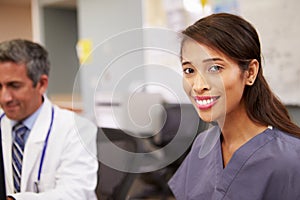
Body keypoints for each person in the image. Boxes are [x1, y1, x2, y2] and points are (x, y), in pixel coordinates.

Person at [168, 13, 300, 200]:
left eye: (215, 68)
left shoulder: (291, 160)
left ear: (250, 73)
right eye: (189, 70)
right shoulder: (202, 146)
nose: (198, 86)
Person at [0, 39, 98, 200]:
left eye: (14, 86)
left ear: (41, 84)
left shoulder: (76, 128)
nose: (5, 98)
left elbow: (76, 194)